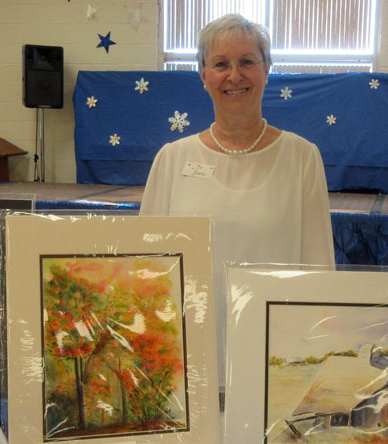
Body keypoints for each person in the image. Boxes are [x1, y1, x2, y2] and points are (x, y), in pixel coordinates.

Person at [139, 13, 335, 269]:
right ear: (204, 75)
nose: (234, 76)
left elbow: (319, 266)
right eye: (221, 64)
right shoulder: (172, 159)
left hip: (273, 298)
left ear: (266, 70)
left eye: (246, 62)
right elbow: (146, 265)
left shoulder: (301, 157)